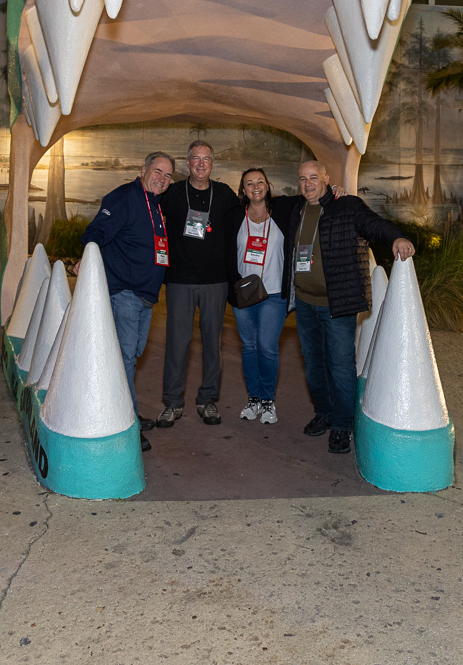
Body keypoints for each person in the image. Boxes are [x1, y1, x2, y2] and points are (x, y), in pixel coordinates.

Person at [283, 160, 414, 455]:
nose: (308, 184)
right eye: (302, 178)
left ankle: (342, 424)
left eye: (314, 177)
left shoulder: (347, 206)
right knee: (313, 363)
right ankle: (324, 412)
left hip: (337, 304)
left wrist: (397, 237)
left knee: (341, 365)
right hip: (304, 303)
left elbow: (373, 225)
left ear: (326, 179)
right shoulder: (296, 209)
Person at [78, 151, 175, 452]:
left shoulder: (155, 204)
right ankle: (126, 422)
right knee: (125, 359)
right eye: (158, 171)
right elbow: (95, 232)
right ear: (143, 169)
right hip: (124, 293)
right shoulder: (124, 197)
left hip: (145, 296)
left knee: (132, 355)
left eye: (168, 175)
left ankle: (128, 411)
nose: (162, 178)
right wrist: (86, 258)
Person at [155, 141, 238, 427]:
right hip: (180, 281)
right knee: (177, 343)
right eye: (196, 159)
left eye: (206, 159)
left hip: (216, 282)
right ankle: (172, 402)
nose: (201, 164)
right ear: (188, 162)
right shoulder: (173, 193)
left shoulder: (224, 193)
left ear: (212, 164)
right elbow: (146, 201)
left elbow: (253, 212)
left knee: (213, 344)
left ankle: (207, 400)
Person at [226, 168, 298, 425]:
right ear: (243, 190)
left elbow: (313, 195)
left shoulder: (283, 210)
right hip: (244, 294)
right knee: (249, 346)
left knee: (267, 346)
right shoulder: (235, 216)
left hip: (274, 293)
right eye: (249, 183)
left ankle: (268, 400)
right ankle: (253, 398)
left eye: (260, 182)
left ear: (267, 185)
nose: (255, 187)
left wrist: (335, 190)